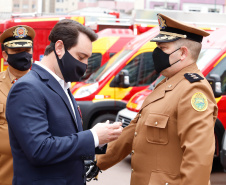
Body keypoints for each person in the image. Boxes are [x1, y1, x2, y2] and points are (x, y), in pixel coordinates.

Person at [95, 13, 218, 185]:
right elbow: (132, 133)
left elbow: (198, 158)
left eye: (163, 48)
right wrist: (96, 162)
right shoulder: (167, 84)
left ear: (182, 53)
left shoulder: (193, 90)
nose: (156, 53)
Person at [6, 19, 122, 185]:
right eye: (81, 57)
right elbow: (40, 150)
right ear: (59, 48)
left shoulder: (62, 85)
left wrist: (101, 138)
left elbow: (64, 136)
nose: (85, 65)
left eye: (87, 58)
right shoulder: (28, 88)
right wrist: (92, 137)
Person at [0, 25, 35, 185]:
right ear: (4, 54)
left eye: (27, 50)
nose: (23, 55)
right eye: (16, 51)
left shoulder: (47, 84)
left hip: (36, 175)